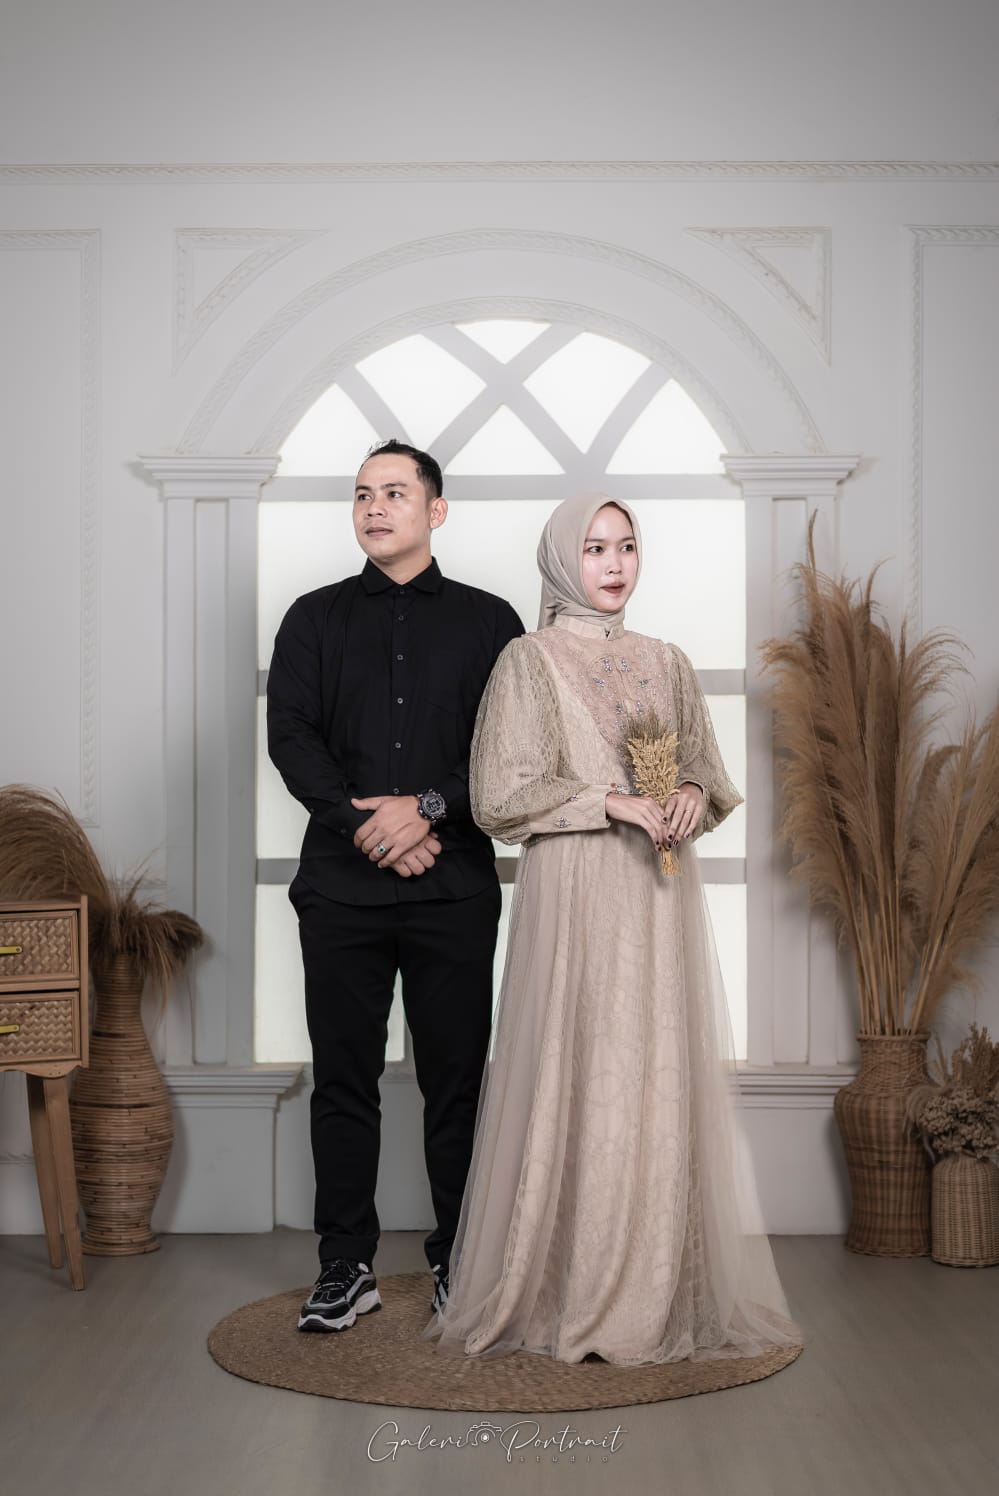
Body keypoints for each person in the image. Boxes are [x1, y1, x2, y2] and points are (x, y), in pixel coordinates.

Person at [428, 492, 800, 1365]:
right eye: (594, 547)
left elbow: (704, 769)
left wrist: (688, 794)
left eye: (626, 546)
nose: (613, 564)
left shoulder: (665, 660)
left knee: (654, 1073)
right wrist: (610, 802)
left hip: (657, 895)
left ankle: (653, 1288)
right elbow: (498, 795)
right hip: (577, 893)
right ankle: (573, 1287)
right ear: (564, 559)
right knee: (582, 1067)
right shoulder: (526, 660)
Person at [267, 439, 524, 1332]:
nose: (374, 508)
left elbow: (507, 751)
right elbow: (292, 738)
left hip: (454, 892)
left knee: (459, 1085)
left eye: (394, 493)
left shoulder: (492, 623)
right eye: (361, 494)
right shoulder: (312, 619)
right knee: (343, 1082)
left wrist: (426, 809)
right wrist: (369, 829)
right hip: (340, 892)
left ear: (435, 510)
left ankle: (460, 1261)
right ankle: (345, 1266)